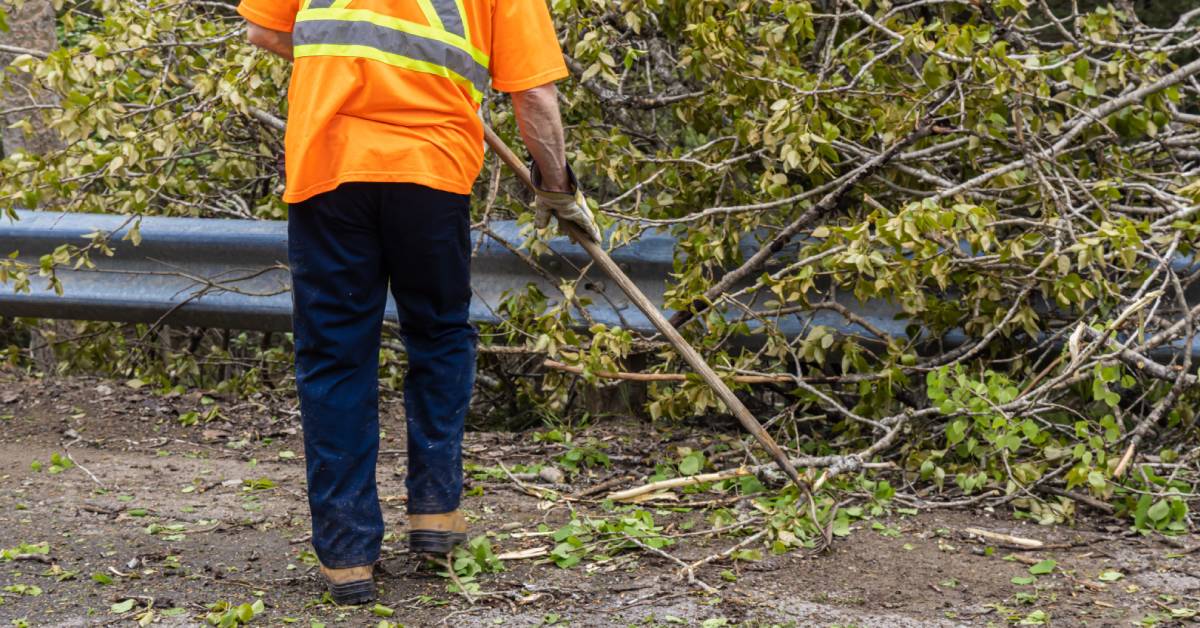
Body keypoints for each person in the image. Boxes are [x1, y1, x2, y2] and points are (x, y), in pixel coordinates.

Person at [236, 0, 600, 605]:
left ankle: (347, 554)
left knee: (334, 355)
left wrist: (358, 75)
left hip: (328, 168)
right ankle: (435, 514)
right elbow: (533, 96)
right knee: (438, 336)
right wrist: (557, 184)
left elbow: (264, 31)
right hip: (430, 172)